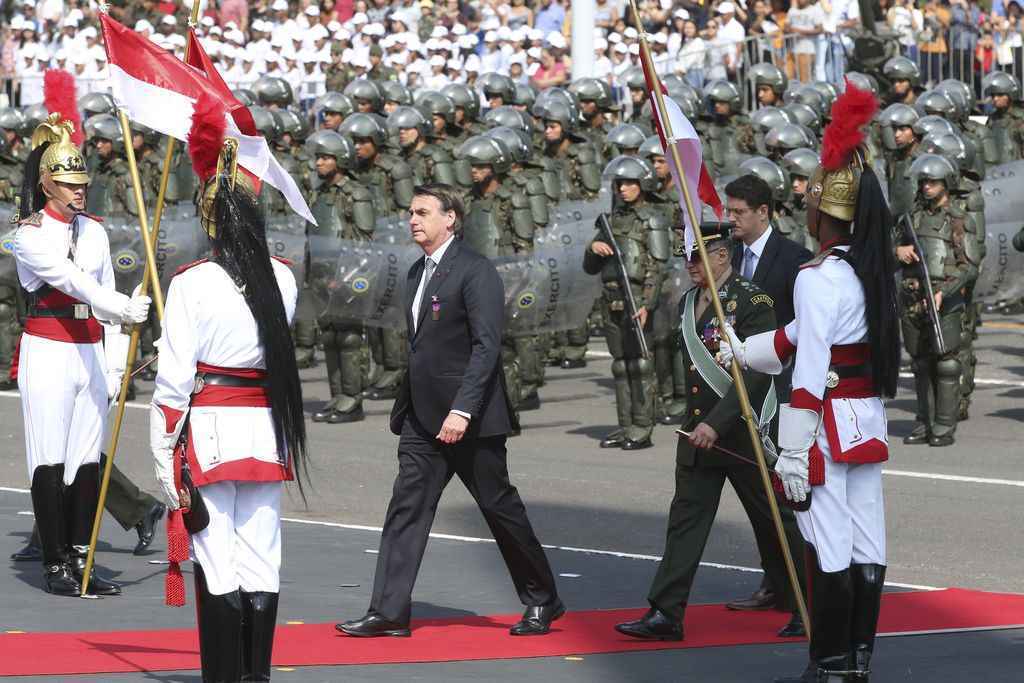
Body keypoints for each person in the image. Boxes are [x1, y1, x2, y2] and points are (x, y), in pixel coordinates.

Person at [719, 82, 901, 683]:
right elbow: (797, 337)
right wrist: (744, 349)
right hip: (864, 417)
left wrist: (793, 450)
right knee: (864, 537)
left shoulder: (818, 275)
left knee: (825, 541)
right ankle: (858, 659)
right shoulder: (865, 272)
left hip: (823, 422)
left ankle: (829, 662)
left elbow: (812, 362)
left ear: (822, 212)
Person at [337, 183, 563, 638]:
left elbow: (486, 346)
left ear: (451, 218)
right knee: (406, 509)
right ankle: (389, 611)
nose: (413, 220)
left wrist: (462, 409)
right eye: (411, 212)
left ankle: (543, 599)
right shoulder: (417, 272)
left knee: (499, 509)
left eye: (422, 212)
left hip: (469, 419)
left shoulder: (475, 271)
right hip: (423, 417)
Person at [151, 112, 307, 681]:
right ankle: (255, 675)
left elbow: (173, 381)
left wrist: (163, 455)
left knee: (216, 559)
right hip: (265, 428)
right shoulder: (283, 277)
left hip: (213, 428)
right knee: (261, 557)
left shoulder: (191, 281)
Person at [614, 222, 805, 642]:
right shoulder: (688, 303)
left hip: (742, 432)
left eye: (699, 255)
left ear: (722, 256)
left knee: (776, 520)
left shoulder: (751, 300)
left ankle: (809, 605)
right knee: (685, 522)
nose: (691, 263)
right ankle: (665, 612)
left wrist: (716, 423)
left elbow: (758, 371)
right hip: (698, 433)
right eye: (687, 255)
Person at [15, 114, 151, 596]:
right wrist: (118, 305)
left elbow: (107, 293)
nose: (79, 191)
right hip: (49, 347)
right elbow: (73, 282)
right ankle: (54, 561)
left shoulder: (94, 231)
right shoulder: (27, 235)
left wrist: (114, 363)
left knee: (86, 460)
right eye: (70, 184)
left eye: (83, 183)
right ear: (47, 183)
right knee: (49, 457)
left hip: (89, 348)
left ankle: (81, 555)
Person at [584, 156, 670, 451]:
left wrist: (647, 303)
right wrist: (593, 248)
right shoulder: (610, 220)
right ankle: (625, 425)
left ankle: (643, 426)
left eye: (630, 183)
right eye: (620, 183)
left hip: (637, 298)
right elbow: (591, 267)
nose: (623, 188)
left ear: (643, 184)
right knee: (620, 365)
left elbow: (657, 267)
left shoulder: (653, 219)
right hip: (610, 298)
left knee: (641, 363)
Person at [896, 154, 975, 447]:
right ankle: (924, 421)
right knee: (920, 363)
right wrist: (898, 251)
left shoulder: (958, 219)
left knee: (947, 364)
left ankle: (944, 424)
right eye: (924, 181)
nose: (927, 186)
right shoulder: (911, 217)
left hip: (944, 297)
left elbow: (969, 266)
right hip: (913, 296)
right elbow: (891, 247)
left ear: (946, 184)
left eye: (933, 181)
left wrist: (944, 292)